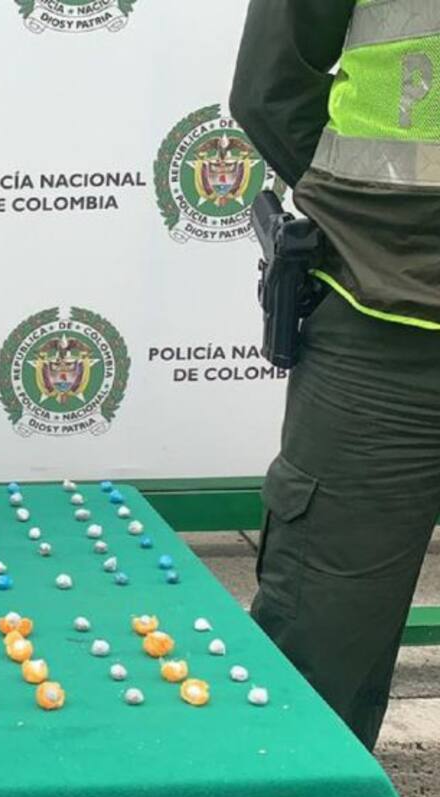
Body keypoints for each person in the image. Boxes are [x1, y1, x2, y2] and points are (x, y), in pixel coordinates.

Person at [230, 0, 440, 751]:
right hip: (384, 325)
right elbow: (270, 90)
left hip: (386, 313)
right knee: (319, 654)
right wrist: (364, 227)